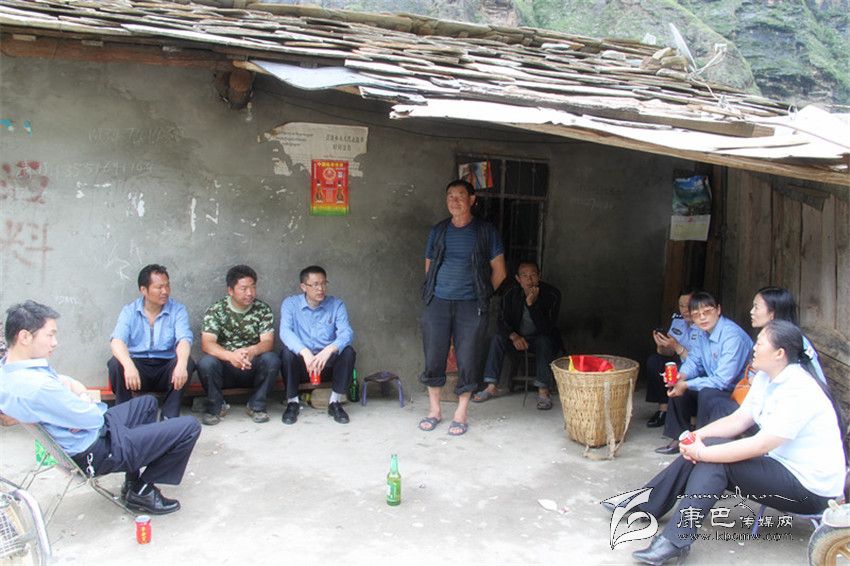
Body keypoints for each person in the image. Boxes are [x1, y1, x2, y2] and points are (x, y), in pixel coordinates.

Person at [613, 320, 845, 564]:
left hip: (810, 491)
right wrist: (698, 437)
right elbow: (739, 419)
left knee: (715, 462)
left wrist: (702, 453)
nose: (754, 347)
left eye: (760, 343)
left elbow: (761, 445)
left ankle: (673, 540)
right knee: (711, 446)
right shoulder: (766, 377)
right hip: (782, 467)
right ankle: (647, 506)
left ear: (779, 353)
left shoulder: (799, 389)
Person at [0, 301, 201, 515]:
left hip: (90, 432)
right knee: (190, 427)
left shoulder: (10, 370)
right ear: (24, 337)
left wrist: (80, 397)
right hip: (95, 450)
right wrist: (85, 401)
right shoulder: (39, 387)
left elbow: (69, 384)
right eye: (49, 335)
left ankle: (132, 482)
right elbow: (93, 418)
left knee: (147, 404)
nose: (55, 342)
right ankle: (143, 489)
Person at [419, 179, 506, 436]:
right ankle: (434, 410)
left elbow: (500, 272)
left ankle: (461, 412)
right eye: (450, 196)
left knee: (468, 356)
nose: (454, 201)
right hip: (438, 302)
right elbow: (429, 267)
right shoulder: (438, 231)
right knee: (434, 355)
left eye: (460, 196)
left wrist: (481, 295)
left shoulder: (486, 231)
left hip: (471, 304)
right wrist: (435, 292)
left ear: (472, 200)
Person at [699, 286, 827, 426]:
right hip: (765, 403)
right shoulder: (772, 337)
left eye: (756, 307)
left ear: (772, 313)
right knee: (709, 395)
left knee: (718, 405)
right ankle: (697, 438)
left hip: (784, 414)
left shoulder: (791, 342)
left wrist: (754, 380)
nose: (751, 312)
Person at [655, 291, 752, 454]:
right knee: (678, 387)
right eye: (696, 315)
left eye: (707, 312)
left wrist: (686, 384)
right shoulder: (701, 332)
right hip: (716, 385)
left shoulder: (732, 337)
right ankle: (679, 438)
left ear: (718, 310)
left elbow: (722, 381)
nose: (702, 318)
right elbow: (694, 360)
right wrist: (681, 376)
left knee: (706, 392)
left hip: (735, 393)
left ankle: (700, 441)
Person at [108, 264, 195, 419]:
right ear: (143, 290)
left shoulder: (177, 310)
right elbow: (117, 341)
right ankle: (124, 414)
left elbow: (184, 340)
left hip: (165, 369)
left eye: (167, 286)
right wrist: (129, 366)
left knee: (187, 362)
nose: (165, 291)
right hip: (138, 370)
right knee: (115, 363)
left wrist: (181, 365)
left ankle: (169, 416)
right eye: (159, 287)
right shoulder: (129, 311)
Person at [473, 260, 562, 410]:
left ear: (539, 276)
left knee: (544, 340)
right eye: (524, 276)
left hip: (540, 338)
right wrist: (513, 336)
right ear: (517, 278)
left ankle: (543, 390)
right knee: (497, 338)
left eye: (533, 275)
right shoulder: (510, 294)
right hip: (517, 338)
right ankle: (491, 386)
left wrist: (531, 305)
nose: (529, 279)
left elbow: (547, 328)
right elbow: (501, 321)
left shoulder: (552, 294)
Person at [197, 265, 280, 426]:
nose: (250, 293)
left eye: (253, 287)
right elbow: (207, 344)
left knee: (272, 359)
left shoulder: (262, 309)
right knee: (206, 363)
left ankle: (256, 406)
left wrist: (252, 350)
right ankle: (216, 407)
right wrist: (231, 356)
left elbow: (268, 341)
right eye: (243, 288)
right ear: (230, 290)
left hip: (251, 366)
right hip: (225, 368)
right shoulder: (216, 310)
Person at [279, 265, 355, 425]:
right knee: (287, 354)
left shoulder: (336, 305)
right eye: (315, 285)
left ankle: (335, 402)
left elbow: (346, 332)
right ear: (303, 287)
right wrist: (304, 352)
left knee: (348, 352)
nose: (320, 289)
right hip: (303, 365)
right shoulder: (290, 304)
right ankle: (292, 402)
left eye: (323, 283)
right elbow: (285, 332)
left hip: (326, 364)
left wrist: (329, 350)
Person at [645, 289, 698, 428]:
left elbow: (698, 362)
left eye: (688, 305)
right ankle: (663, 409)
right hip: (679, 358)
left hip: (693, 365)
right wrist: (661, 345)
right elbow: (668, 353)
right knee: (655, 361)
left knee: (678, 369)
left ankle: (692, 417)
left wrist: (676, 346)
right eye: (681, 305)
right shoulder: (678, 321)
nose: (684, 310)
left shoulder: (704, 324)